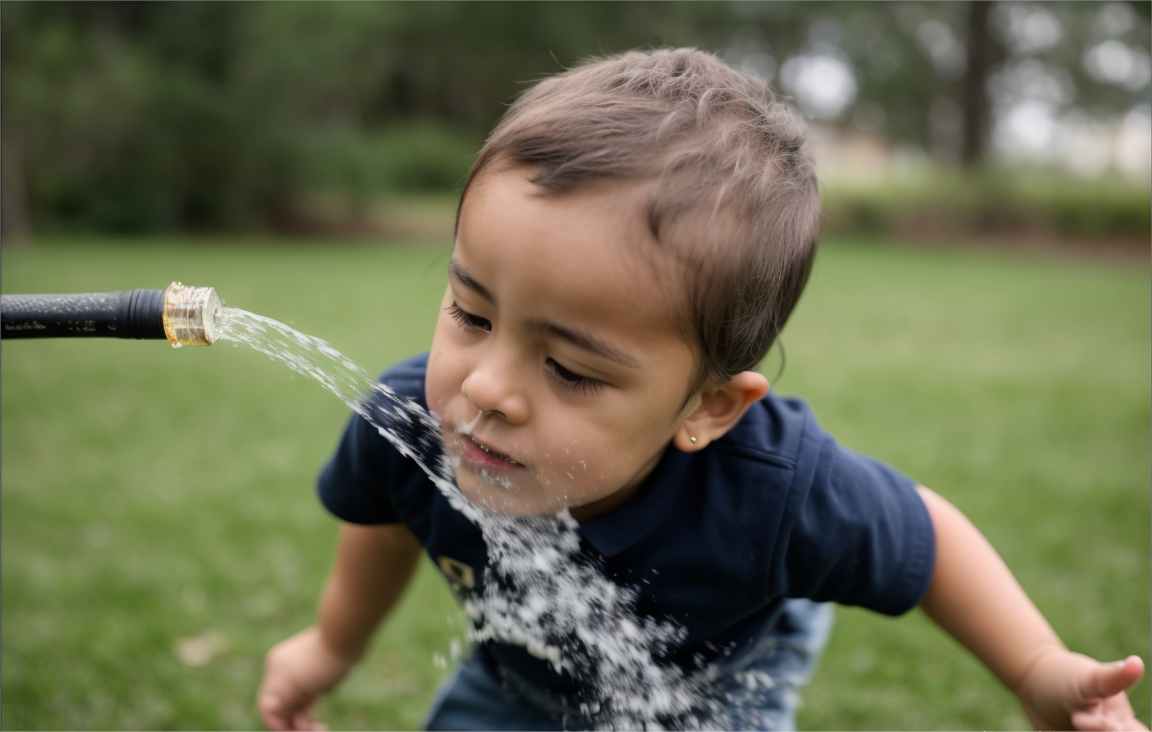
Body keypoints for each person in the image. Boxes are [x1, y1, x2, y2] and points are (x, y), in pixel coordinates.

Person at [257, 48, 1145, 731]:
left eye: (569, 369)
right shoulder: (410, 421)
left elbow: (928, 539)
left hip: (717, 671)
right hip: (517, 673)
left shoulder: (777, 492)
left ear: (707, 407)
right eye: (471, 314)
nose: (487, 389)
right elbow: (382, 514)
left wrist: (1037, 671)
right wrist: (331, 646)